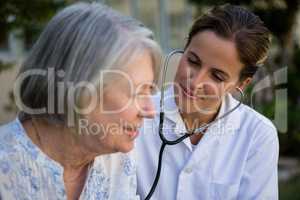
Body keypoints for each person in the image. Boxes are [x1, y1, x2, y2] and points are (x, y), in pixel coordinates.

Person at [0, 2, 161, 200]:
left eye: (149, 90)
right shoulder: (5, 168)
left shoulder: (117, 161)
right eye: (136, 92)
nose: (150, 110)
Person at [136, 4, 279, 200]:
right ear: (185, 48)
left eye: (217, 76)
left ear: (242, 84)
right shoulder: (136, 114)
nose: (195, 82)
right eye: (193, 61)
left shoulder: (258, 135)